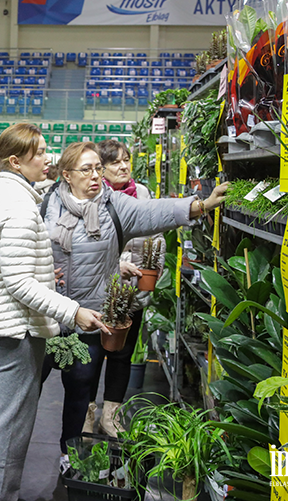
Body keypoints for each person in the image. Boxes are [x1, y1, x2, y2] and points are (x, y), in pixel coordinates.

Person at [39, 141, 228, 473]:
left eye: (98, 167)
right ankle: (8, 455)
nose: (95, 175)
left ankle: (69, 451)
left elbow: (153, 211)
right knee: (31, 383)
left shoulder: (114, 206)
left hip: (91, 318)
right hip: (47, 316)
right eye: (87, 169)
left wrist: (199, 206)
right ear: (66, 175)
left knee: (80, 386)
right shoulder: (46, 206)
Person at [0, 124, 110, 501]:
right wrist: (74, 312)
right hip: (16, 326)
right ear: (15, 161)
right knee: (9, 425)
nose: (47, 159)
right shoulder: (18, 203)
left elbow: (3, 265)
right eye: (39, 152)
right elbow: (20, 283)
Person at [84, 138, 166, 437]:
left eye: (126, 160)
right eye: (116, 162)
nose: (124, 166)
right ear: (101, 169)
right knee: (91, 355)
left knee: (122, 354)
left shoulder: (141, 193)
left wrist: (152, 266)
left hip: (132, 292)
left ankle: (111, 414)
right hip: (97, 291)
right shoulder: (93, 197)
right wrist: (116, 262)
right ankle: (88, 411)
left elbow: (155, 234)